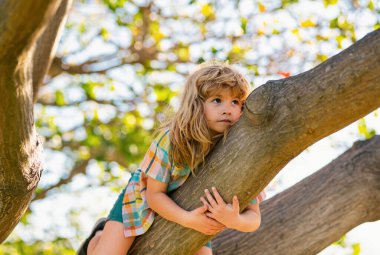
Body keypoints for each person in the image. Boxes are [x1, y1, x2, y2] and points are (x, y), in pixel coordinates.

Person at [78, 61, 266, 255]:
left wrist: (235, 220)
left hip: (193, 212)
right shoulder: (172, 140)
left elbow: (254, 218)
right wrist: (186, 219)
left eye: (235, 102)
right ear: (197, 104)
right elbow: (154, 195)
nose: (227, 109)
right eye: (217, 100)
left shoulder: (241, 153)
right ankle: (97, 238)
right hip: (140, 202)